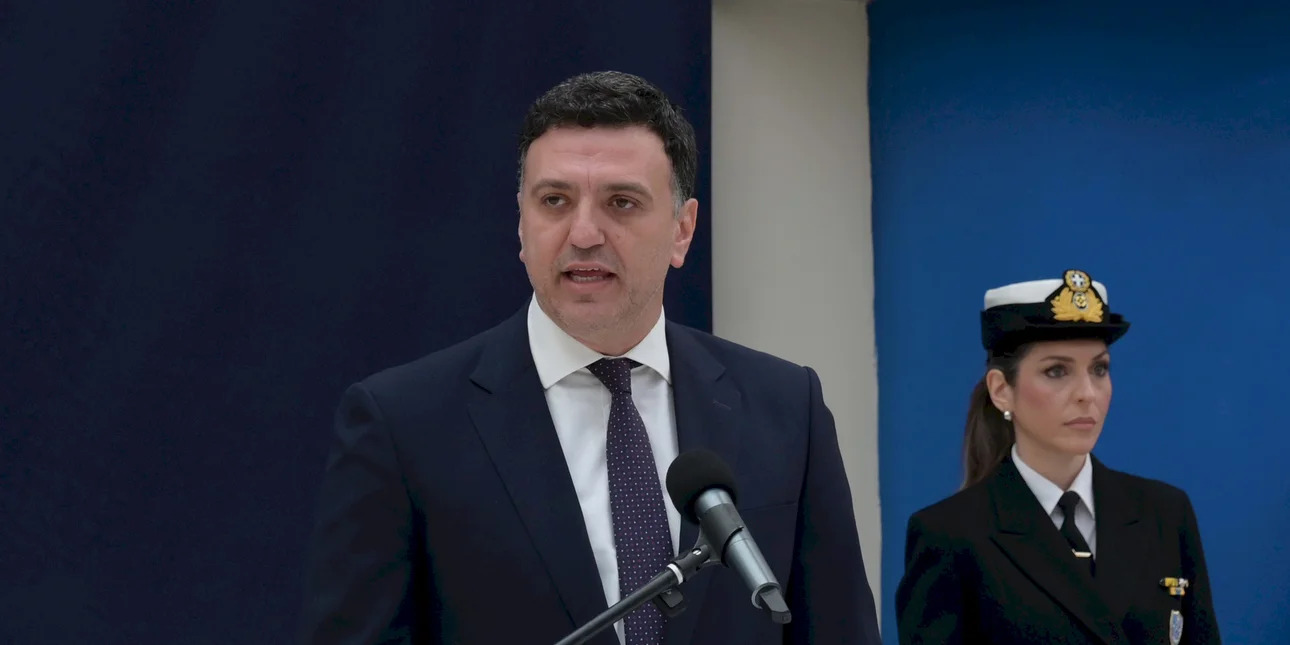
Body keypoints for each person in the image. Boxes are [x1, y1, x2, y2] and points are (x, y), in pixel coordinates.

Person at [297, 70, 881, 645]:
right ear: (521, 224)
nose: (583, 233)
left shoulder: (785, 407)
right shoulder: (405, 423)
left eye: (621, 202)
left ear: (682, 230)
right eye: (554, 201)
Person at [894, 269, 1221, 644]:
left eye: (1099, 369)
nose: (1087, 393)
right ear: (1001, 390)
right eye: (1056, 371)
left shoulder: (1164, 513)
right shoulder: (950, 535)